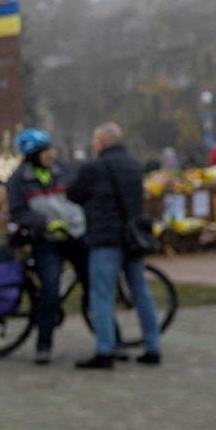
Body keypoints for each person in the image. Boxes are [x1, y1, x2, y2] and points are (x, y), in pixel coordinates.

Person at [67, 122, 163, 370]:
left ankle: (105, 350)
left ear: (101, 142)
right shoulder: (133, 165)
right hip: (132, 239)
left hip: (105, 238)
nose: (93, 144)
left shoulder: (94, 167)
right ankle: (153, 347)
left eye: (94, 140)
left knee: (101, 295)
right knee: (140, 291)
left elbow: (73, 193)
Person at [6, 130, 87, 365]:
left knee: (94, 283)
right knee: (50, 289)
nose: (51, 154)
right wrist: (46, 224)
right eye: (45, 151)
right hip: (46, 241)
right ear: (32, 155)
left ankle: (114, 339)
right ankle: (44, 345)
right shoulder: (18, 180)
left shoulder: (63, 170)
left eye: (51, 149)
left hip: (74, 235)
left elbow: (80, 194)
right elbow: (19, 212)